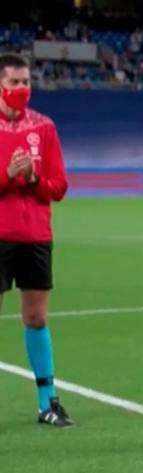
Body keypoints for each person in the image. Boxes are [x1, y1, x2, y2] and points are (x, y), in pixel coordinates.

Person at [0, 53, 73, 426]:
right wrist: (6, 174)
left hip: (35, 235)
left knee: (36, 316)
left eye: (26, 82)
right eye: (14, 83)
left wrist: (30, 179)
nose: (21, 90)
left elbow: (59, 186)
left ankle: (48, 403)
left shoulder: (44, 127)